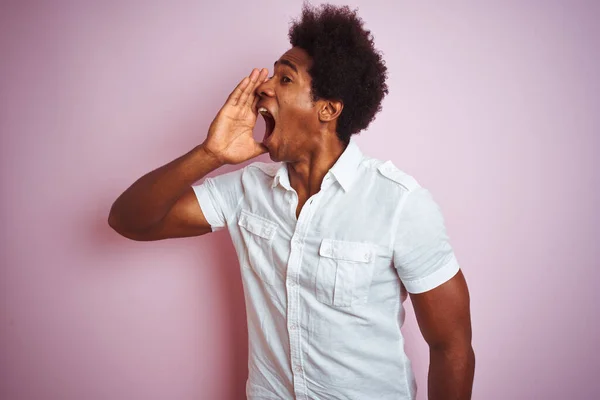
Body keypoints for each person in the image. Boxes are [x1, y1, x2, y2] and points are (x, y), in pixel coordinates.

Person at [108, 3, 475, 399]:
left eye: (285, 79)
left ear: (328, 109)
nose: (265, 86)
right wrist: (209, 154)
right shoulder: (246, 190)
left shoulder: (399, 203)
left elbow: (451, 347)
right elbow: (129, 220)